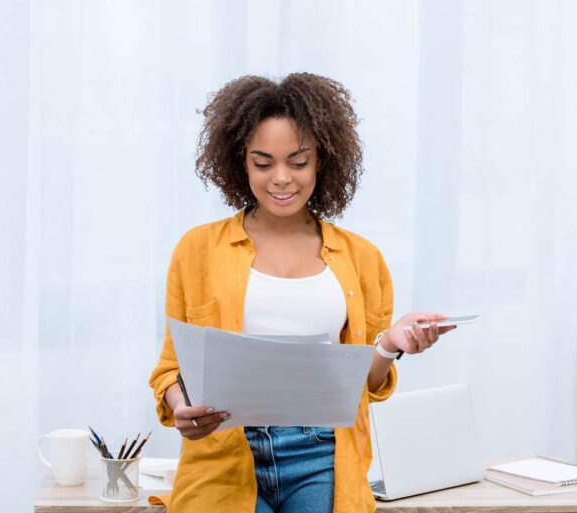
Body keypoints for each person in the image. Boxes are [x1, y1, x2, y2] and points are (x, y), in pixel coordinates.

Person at [148, 73, 456, 513]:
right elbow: (171, 370)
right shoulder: (197, 250)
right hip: (221, 456)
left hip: (321, 456)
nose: (281, 179)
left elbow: (361, 386)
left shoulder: (361, 258)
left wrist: (391, 344)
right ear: (240, 162)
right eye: (263, 162)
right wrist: (182, 408)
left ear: (322, 162)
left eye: (298, 161)